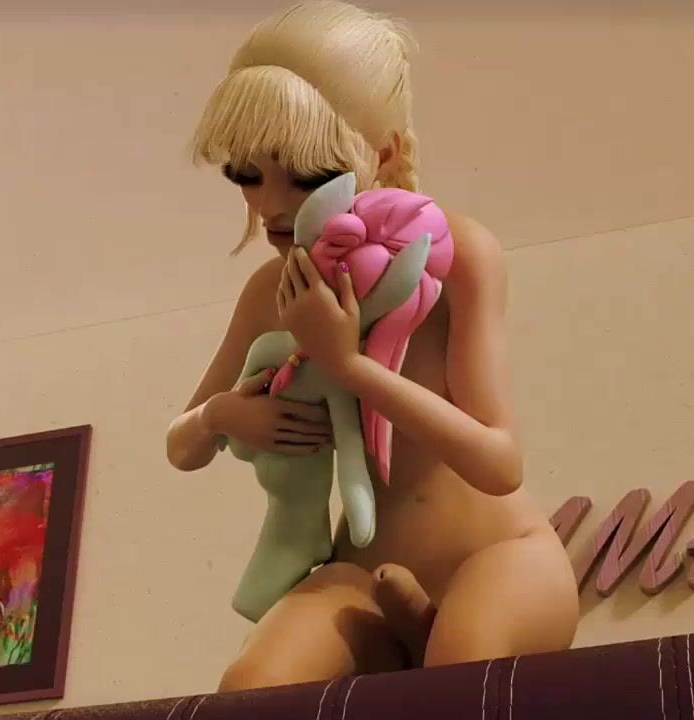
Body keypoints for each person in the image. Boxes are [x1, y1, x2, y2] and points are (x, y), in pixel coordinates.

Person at [165, 0, 579, 692]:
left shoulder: (457, 252)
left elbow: (499, 462)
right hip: (362, 570)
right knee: (250, 690)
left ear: (383, 154)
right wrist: (222, 415)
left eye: (305, 174)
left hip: (499, 553)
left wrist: (348, 365)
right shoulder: (270, 290)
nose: (271, 204)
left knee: (459, 675)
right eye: (247, 174)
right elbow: (182, 444)